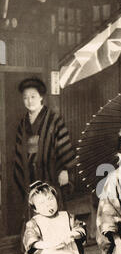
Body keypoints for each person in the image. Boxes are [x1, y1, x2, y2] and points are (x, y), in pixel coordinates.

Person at [14, 77, 75, 223]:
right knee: (32, 212)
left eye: (33, 96)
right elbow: (18, 152)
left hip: (51, 174)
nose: (29, 101)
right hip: (30, 176)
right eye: (26, 98)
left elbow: (64, 146)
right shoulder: (23, 123)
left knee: (53, 209)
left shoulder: (54, 120)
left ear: (41, 97)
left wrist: (66, 169)